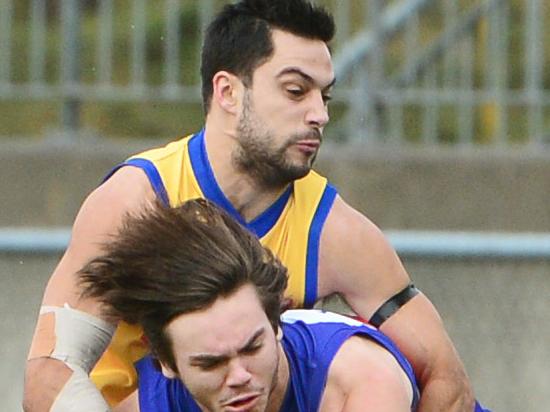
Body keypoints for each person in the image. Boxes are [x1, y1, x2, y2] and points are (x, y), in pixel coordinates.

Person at [24, 0, 478, 411]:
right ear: (227, 92)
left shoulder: (335, 232)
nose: (319, 114)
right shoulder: (137, 202)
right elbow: (47, 378)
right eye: (296, 91)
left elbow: (447, 381)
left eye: (325, 96)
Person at [79, 199, 420, 412]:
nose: (240, 376)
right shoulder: (159, 400)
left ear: (275, 326)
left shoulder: (362, 381)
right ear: (167, 363)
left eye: (252, 347)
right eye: (211, 364)